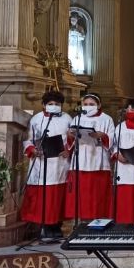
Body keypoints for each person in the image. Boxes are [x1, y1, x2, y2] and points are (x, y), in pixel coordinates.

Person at [21, 91, 72, 236]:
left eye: (57, 104)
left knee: (58, 198)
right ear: (43, 105)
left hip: (60, 163)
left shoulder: (67, 118)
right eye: (50, 104)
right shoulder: (36, 120)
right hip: (41, 162)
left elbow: (73, 138)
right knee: (43, 197)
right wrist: (32, 149)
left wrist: (69, 150)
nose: (54, 106)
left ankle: (57, 226)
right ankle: (45, 227)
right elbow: (28, 140)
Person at [65, 93, 115, 221]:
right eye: (85, 104)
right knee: (81, 195)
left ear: (99, 105)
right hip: (80, 159)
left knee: (97, 195)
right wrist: (70, 135)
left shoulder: (107, 119)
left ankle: (99, 220)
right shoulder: (77, 119)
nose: (88, 106)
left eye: (91, 104)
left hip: (98, 160)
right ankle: (81, 221)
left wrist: (102, 135)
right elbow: (70, 141)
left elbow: (112, 140)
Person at [110, 101, 134, 224]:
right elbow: (114, 144)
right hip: (123, 167)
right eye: (127, 110)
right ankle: (124, 223)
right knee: (125, 199)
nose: (129, 113)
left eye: (132, 110)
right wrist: (117, 155)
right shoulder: (120, 127)